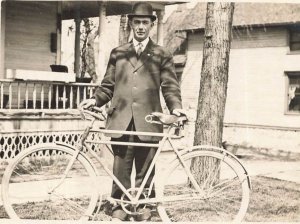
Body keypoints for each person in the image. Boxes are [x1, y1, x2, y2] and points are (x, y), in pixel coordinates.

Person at [80, 2, 183, 221]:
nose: (141, 27)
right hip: (122, 118)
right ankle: (119, 207)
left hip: (149, 119)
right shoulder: (118, 53)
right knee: (121, 165)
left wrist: (176, 109)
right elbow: (108, 85)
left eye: (145, 22)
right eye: (137, 22)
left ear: (151, 25)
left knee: (146, 167)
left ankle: (144, 207)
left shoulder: (161, 54)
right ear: (131, 24)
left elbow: (170, 86)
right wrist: (95, 101)